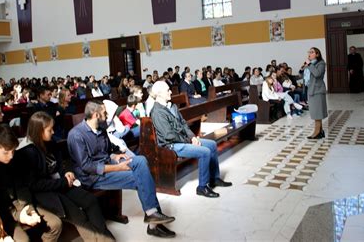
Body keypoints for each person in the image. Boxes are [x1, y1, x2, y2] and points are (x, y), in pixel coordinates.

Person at [67, 101, 176, 238]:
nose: (107, 116)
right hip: (93, 177)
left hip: (108, 163)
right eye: (105, 113)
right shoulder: (76, 135)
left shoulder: (101, 128)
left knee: (141, 160)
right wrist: (117, 167)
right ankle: (153, 222)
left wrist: (115, 155)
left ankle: (152, 215)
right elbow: (87, 166)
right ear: (96, 115)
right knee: (140, 177)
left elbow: (106, 151)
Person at [15, 112, 114, 241]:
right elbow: (35, 185)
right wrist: (63, 182)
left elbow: (61, 163)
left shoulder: (50, 142)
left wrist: (66, 172)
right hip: (45, 193)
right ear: (39, 131)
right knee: (78, 216)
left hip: (60, 183)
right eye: (49, 129)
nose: (53, 132)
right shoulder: (28, 152)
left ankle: (105, 237)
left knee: (90, 200)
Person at [0, 124, 62, 241]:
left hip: (20, 205)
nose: (11, 156)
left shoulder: (11, 159)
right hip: (2, 214)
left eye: (13, 151)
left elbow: (21, 187)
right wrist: (19, 215)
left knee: (55, 223)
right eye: (6, 152)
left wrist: (27, 209)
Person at [150, 81, 232, 198]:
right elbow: (169, 135)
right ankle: (202, 187)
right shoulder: (157, 112)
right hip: (171, 145)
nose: (170, 92)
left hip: (183, 140)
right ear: (158, 94)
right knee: (205, 152)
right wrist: (189, 140)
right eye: (167, 90)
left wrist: (193, 137)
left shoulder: (171, 106)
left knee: (212, 144)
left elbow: (183, 124)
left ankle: (214, 178)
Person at [302, 47, 328, 139]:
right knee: (315, 111)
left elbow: (317, 74)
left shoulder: (321, 63)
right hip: (311, 89)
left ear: (317, 54)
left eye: (312, 52)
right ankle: (320, 131)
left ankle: (317, 132)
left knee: (317, 112)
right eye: (309, 52)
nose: (309, 53)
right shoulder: (310, 64)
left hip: (317, 90)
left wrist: (309, 65)